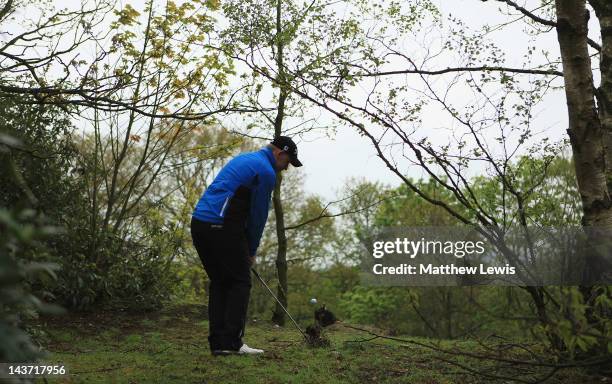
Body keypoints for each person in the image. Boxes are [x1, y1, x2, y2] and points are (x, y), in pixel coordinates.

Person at [190, 136, 302, 355]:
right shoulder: (266, 172)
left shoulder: (245, 159)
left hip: (200, 224)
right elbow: (258, 216)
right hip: (220, 225)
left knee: (221, 282)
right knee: (240, 281)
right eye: (288, 161)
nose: (287, 168)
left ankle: (219, 344)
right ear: (279, 153)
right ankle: (231, 343)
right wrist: (250, 250)